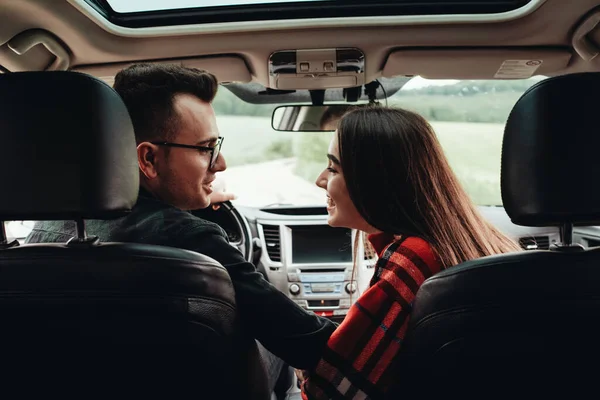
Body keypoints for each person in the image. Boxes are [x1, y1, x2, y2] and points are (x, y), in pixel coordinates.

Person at [25, 63, 337, 391]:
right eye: (206, 149)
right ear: (147, 160)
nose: (220, 163)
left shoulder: (41, 235)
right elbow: (306, 341)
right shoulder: (194, 241)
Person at [299, 106, 521, 399]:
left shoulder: (412, 259)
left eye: (333, 168)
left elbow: (331, 391)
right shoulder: (476, 239)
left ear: (374, 182)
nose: (321, 180)